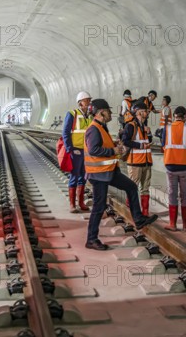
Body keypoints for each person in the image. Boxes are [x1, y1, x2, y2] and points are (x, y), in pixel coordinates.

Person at [84, 99, 158, 250]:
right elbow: (93, 150)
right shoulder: (93, 129)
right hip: (98, 174)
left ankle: (138, 219)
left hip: (109, 172)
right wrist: (113, 151)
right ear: (101, 113)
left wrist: (114, 146)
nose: (111, 113)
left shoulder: (101, 127)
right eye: (108, 111)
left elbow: (102, 146)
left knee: (131, 187)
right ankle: (91, 239)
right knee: (99, 206)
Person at [162, 106, 186, 231]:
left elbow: (163, 145)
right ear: (185, 117)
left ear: (174, 116)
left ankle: (172, 224)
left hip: (170, 167)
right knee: (185, 195)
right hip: (185, 167)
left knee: (172, 194)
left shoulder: (167, 129)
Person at [62, 91, 93, 213]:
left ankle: (80, 203)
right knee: (74, 177)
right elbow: (65, 133)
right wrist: (70, 149)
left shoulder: (90, 116)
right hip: (76, 151)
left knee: (83, 178)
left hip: (86, 152)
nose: (89, 102)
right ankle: (72, 204)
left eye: (89, 100)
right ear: (80, 103)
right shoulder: (72, 114)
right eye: (86, 100)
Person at [122, 101, 153, 216]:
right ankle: (131, 212)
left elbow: (147, 142)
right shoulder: (130, 126)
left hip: (146, 162)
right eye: (145, 111)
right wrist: (140, 145)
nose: (147, 113)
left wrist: (149, 134)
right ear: (138, 112)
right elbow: (125, 141)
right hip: (135, 163)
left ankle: (145, 212)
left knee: (145, 189)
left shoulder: (144, 127)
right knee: (132, 188)